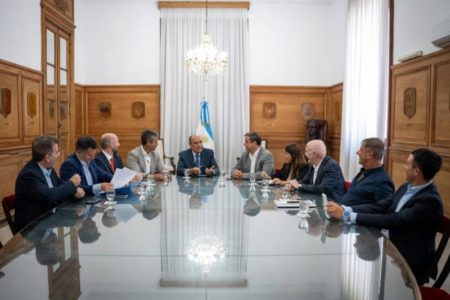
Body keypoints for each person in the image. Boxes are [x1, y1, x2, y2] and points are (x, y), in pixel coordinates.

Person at [326, 148, 444, 285]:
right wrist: (346, 209)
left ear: (417, 171)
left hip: (407, 259)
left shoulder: (430, 201)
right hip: (387, 245)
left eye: (407, 164)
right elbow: (382, 207)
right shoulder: (406, 187)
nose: (404, 167)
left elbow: (393, 220)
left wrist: (348, 215)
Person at [14, 135, 85, 232]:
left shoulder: (48, 167)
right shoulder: (29, 175)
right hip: (33, 228)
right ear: (47, 157)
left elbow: (59, 187)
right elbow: (49, 196)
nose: (59, 154)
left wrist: (74, 191)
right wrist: (72, 183)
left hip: (50, 219)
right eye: (56, 152)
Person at [340, 138, 394, 206]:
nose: (357, 152)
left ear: (369, 155)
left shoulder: (382, 181)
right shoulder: (363, 172)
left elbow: (381, 210)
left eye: (360, 150)